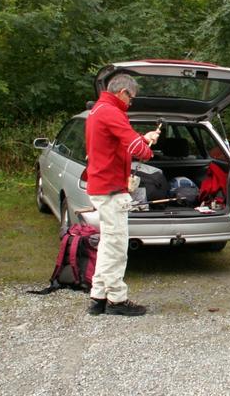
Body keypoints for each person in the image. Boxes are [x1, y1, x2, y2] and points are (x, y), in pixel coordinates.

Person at [85, 73, 160, 317]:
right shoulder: (111, 112)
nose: (131, 103)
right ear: (122, 92)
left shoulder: (99, 110)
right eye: (132, 98)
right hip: (110, 189)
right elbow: (135, 147)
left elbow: (120, 142)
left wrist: (143, 138)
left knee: (108, 243)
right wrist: (146, 148)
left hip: (103, 185)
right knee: (116, 246)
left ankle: (98, 297)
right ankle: (116, 299)